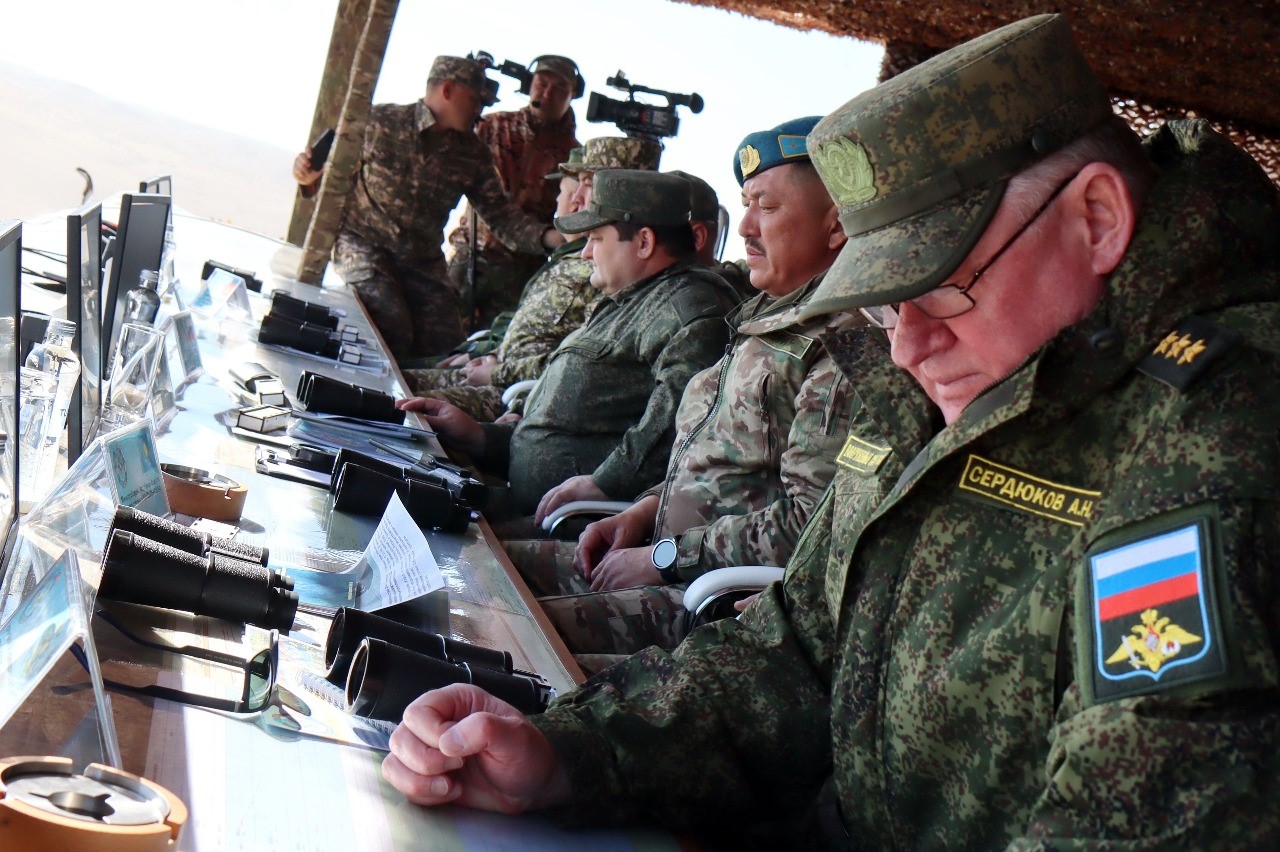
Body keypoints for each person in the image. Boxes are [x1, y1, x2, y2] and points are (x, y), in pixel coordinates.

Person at [381, 15, 1280, 847]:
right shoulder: (942, 372)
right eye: (885, 307)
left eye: (943, 290)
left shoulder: (1221, 430)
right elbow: (804, 644)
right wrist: (575, 753)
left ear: (1097, 219)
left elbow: (1142, 815)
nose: (909, 348)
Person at [507, 117, 861, 666]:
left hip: (707, 602)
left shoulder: (844, 346)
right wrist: (643, 511)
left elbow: (809, 524)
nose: (745, 228)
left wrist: (667, 556)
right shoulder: (764, 318)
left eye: (767, 207)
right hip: (662, 556)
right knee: (484, 573)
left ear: (835, 226)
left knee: (504, 634)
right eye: (745, 205)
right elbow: (712, 456)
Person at [398, 169, 740, 526]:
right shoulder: (631, 300)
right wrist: (482, 437)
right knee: (397, 484)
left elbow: (672, 430)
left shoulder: (688, 313)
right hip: (525, 500)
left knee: (415, 521)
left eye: (596, 238)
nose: (586, 253)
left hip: (574, 525)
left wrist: (605, 483)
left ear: (643, 242)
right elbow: (577, 426)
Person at [292, 55, 563, 360]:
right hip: (364, 245)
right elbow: (324, 179)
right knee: (388, 323)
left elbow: (501, 217)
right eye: (475, 99)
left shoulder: (472, 154)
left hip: (420, 262)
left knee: (447, 350)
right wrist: (307, 177)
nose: (480, 109)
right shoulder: (379, 123)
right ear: (448, 90)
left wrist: (552, 238)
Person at [406, 137, 663, 420]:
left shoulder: (615, 275)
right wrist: (492, 352)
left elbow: (578, 364)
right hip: (503, 375)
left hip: (517, 395)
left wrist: (501, 376)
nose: (576, 198)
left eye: (589, 184)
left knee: (398, 400)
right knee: (389, 379)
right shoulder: (585, 260)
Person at [446, 55, 583, 329]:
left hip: (521, 272)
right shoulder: (492, 126)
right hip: (470, 255)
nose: (547, 93)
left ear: (572, 95)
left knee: (491, 345)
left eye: (559, 89)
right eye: (542, 83)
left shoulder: (576, 157)